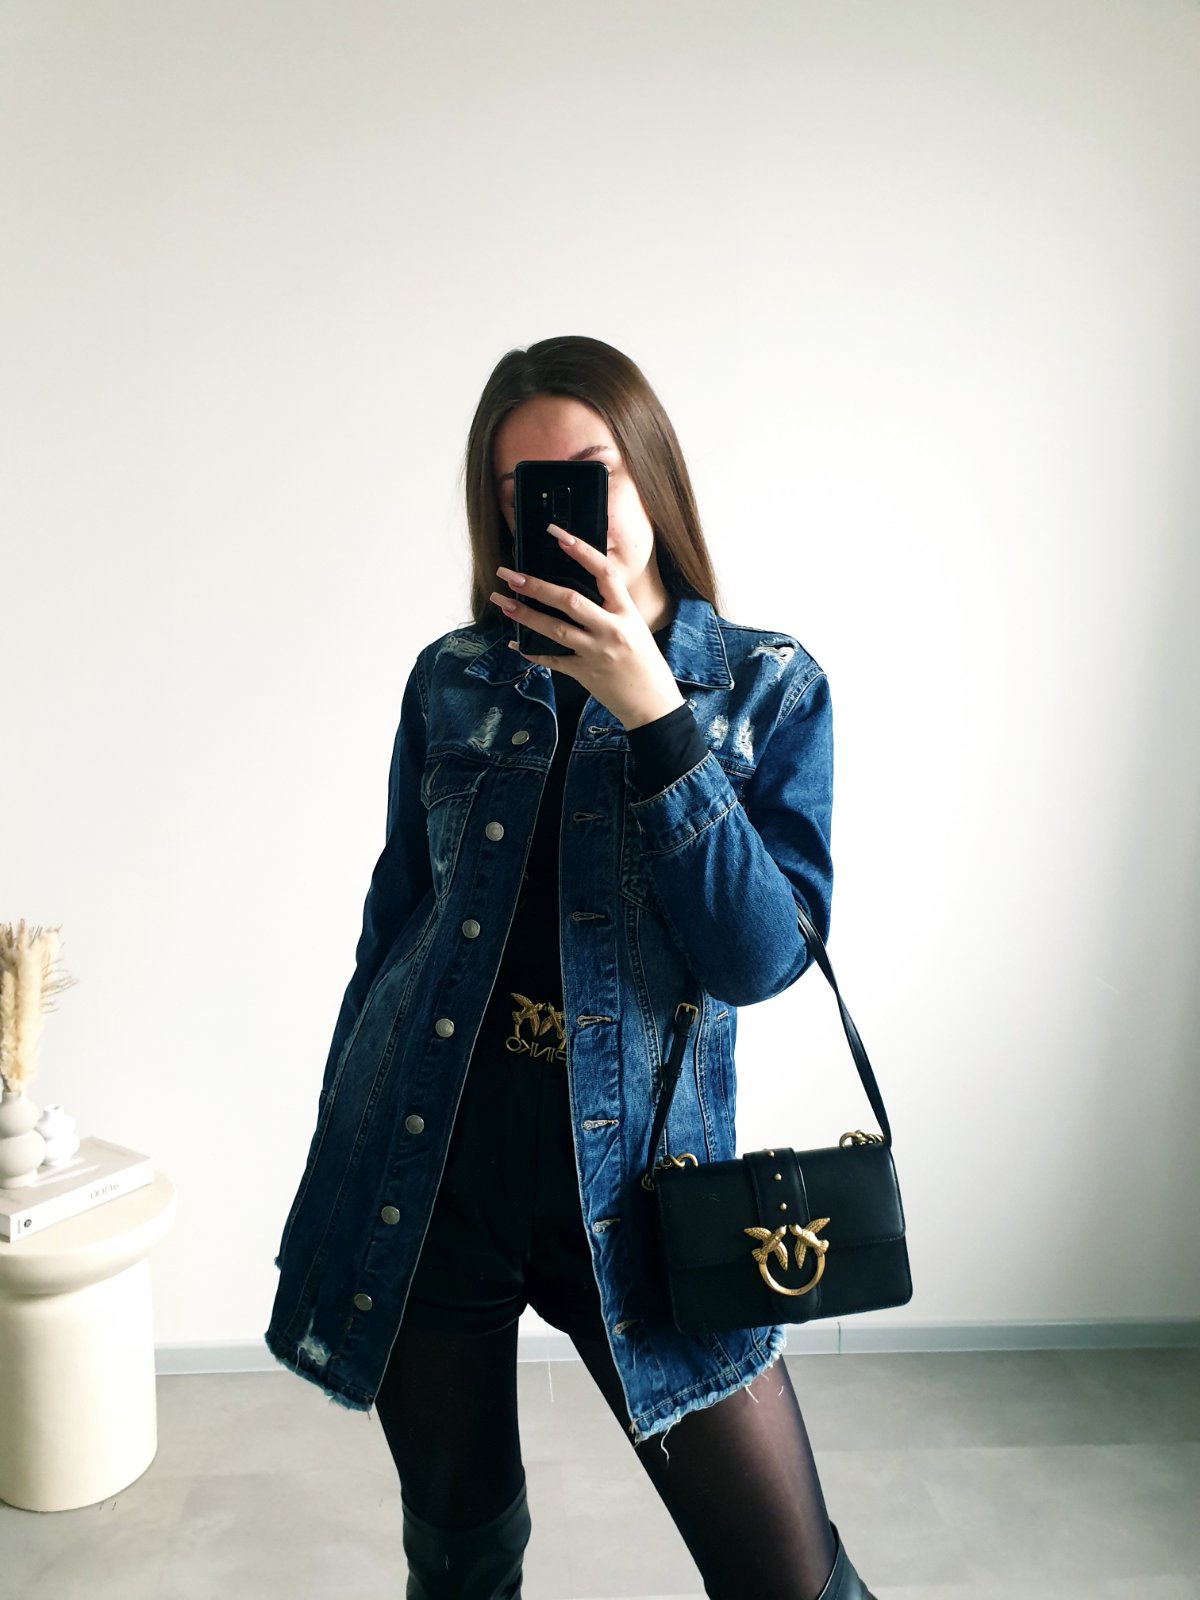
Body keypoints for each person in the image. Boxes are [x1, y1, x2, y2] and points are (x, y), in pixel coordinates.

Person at [264, 336, 878, 1599]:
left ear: (650, 470)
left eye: (590, 472)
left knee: (790, 1578)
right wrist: (340, 1144)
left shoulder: (767, 688)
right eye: (523, 491)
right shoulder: (455, 681)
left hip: (648, 1193)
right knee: (461, 1556)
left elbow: (765, 957)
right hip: (430, 1172)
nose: (561, 513)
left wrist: (657, 715)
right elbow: (395, 925)